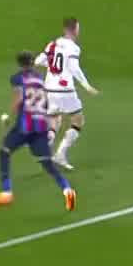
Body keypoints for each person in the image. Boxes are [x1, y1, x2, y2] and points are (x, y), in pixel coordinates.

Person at [0, 52, 76, 211]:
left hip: (25, 126)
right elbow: (47, 102)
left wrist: (8, 116)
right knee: (47, 163)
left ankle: (7, 192)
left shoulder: (18, 78)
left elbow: (19, 98)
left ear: (19, 64)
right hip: (40, 126)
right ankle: (67, 190)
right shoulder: (40, 79)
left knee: (4, 151)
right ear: (32, 63)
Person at [42, 17, 101, 170]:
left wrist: (52, 66)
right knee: (78, 120)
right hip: (65, 90)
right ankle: (60, 155)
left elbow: (38, 61)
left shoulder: (52, 44)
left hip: (50, 88)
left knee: (55, 118)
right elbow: (74, 68)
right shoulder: (73, 48)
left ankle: (47, 143)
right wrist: (87, 86)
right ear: (75, 30)